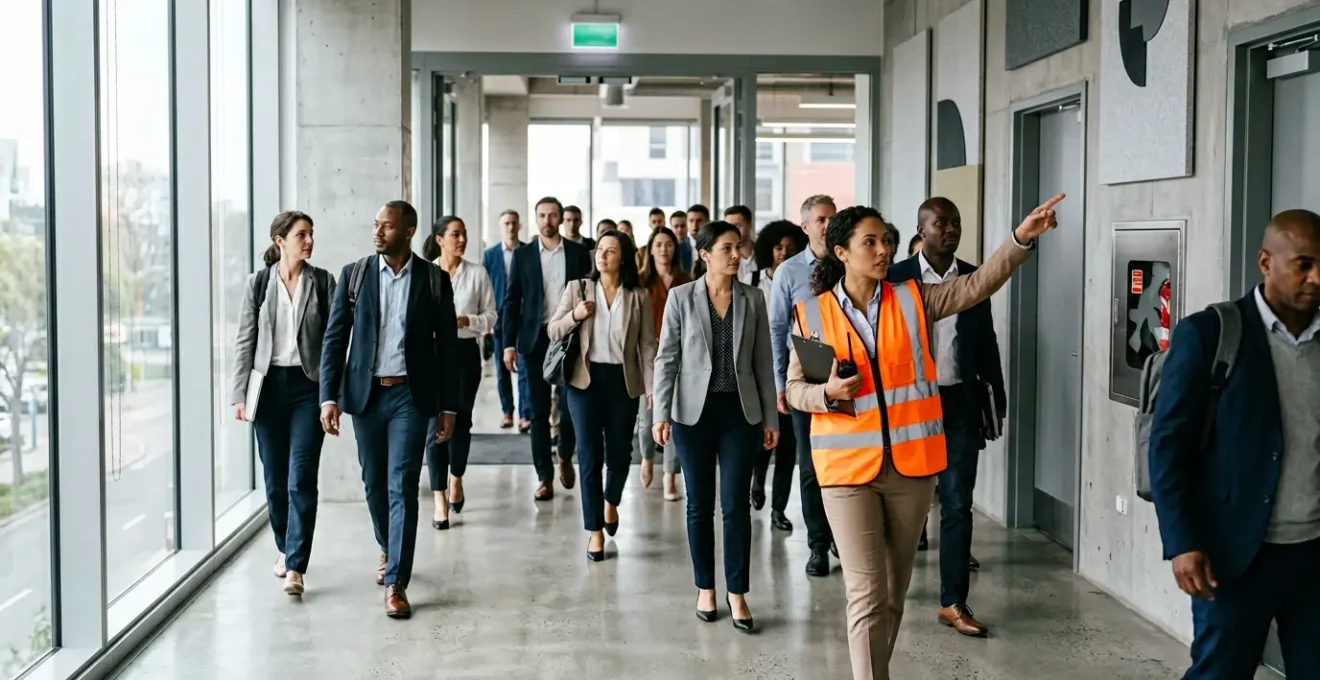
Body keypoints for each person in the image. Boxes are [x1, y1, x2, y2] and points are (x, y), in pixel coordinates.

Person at [785, 198, 1062, 679]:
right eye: (868, 242)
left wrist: (1020, 237)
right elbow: (794, 391)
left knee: (892, 594)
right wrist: (827, 393)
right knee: (866, 591)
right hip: (847, 472)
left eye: (886, 241)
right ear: (841, 252)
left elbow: (977, 284)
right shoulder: (812, 314)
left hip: (910, 469)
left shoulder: (914, 299)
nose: (882, 250)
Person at [1150, 209, 1320, 679]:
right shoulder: (1211, 334)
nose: (1316, 278)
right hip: (1234, 553)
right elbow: (1168, 446)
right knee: (1221, 672)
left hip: (1312, 553)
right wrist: (1182, 542)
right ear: (1266, 262)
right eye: (1303, 264)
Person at [318, 200, 460, 618]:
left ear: (409, 231)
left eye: (387, 225)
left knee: (402, 484)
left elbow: (447, 348)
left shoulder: (434, 280)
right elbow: (334, 340)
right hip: (365, 396)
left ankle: (397, 582)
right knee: (373, 482)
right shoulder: (355, 275)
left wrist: (448, 406)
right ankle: (387, 543)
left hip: (409, 399)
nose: (377, 231)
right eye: (375, 223)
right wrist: (330, 397)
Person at [653, 220, 778, 633]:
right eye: (726, 248)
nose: (735, 255)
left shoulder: (753, 298)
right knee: (698, 504)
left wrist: (770, 418)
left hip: (740, 415)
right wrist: (661, 415)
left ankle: (737, 591)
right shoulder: (681, 298)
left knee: (735, 504)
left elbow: (763, 362)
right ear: (705, 254)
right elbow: (666, 359)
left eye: (738, 248)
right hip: (693, 414)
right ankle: (705, 586)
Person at [888, 197, 1006, 637]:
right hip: (908, 404)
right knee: (903, 503)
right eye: (941, 223)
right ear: (921, 229)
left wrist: (997, 397)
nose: (950, 229)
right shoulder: (896, 278)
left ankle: (953, 601)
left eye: (955, 222)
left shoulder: (973, 278)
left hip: (958, 402)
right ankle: (887, 593)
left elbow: (986, 342)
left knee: (957, 502)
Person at [232, 211, 334, 596]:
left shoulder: (323, 282)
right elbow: (245, 340)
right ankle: (283, 545)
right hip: (268, 389)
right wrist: (239, 395)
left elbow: (332, 341)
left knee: (301, 477)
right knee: (275, 482)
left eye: (311, 234)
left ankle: (296, 565)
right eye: (301, 235)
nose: (308, 241)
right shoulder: (258, 285)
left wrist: (330, 396)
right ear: (280, 241)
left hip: (308, 389)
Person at [548, 231, 657, 562]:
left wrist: (653, 389)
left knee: (622, 453)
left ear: (622, 257)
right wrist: (576, 316)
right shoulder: (577, 288)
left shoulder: (638, 296)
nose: (603, 255)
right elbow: (553, 330)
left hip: (623, 383)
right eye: (600, 250)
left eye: (611, 251)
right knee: (590, 455)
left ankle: (611, 501)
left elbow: (647, 346)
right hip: (585, 381)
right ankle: (594, 530)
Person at [502, 196, 593, 501]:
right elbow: (511, 301)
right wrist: (508, 346)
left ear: (561, 218)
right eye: (542, 216)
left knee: (569, 408)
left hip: (570, 339)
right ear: (536, 219)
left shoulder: (579, 254)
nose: (548, 221)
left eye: (553, 216)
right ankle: (544, 476)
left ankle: (565, 453)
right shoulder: (524, 255)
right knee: (538, 413)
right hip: (535, 340)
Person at [769, 193, 839, 577]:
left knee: (845, 466)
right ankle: (817, 546)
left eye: (833, 218)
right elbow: (778, 330)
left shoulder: (849, 263)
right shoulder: (789, 273)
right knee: (811, 468)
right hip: (807, 381)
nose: (828, 225)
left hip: (848, 380)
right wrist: (780, 384)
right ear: (806, 227)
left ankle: (838, 535)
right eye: (821, 220)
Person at [423, 216, 496, 529]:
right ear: (440, 239)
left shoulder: (477, 273)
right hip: (432, 355)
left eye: (464, 234)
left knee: (462, 421)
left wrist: (468, 321)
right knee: (433, 425)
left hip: (465, 354)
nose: (462, 240)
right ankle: (439, 496)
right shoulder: (425, 273)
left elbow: (492, 316)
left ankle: (456, 478)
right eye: (455, 234)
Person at [749, 220, 807, 532]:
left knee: (788, 446)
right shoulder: (755, 280)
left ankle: (778, 510)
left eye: (789, 249)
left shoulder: (801, 281)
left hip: (793, 369)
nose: (783, 253)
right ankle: (757, 483)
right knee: (762, 440)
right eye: (778, 247)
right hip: (760, 371)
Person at [637, 226, 692, 500]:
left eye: (668, 244)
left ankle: (670, 475)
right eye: (658, 244)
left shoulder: (687, 280)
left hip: (680, 356)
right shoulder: (641, 282)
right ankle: (647, 458)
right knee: (648, 416)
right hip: (648, 358)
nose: (663, 249)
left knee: (674, 417)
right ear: (650, 249)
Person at [483, 209, 531, 433]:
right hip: (499, 318)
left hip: (523, 318)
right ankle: (507, 412)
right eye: (506, 224)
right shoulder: (490, 255)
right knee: (502, 369)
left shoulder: (528, 252)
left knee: (524, 367)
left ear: (519, 225)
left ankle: (524, 414)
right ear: (501, 227)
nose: (511, 227)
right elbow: (486, 289)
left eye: (514, 223)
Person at [723, 205, 758, 285]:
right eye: (728, 226)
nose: (732, 230)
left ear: (749, 226)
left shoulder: (765, 255)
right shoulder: (723, 257)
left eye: (737, 225)